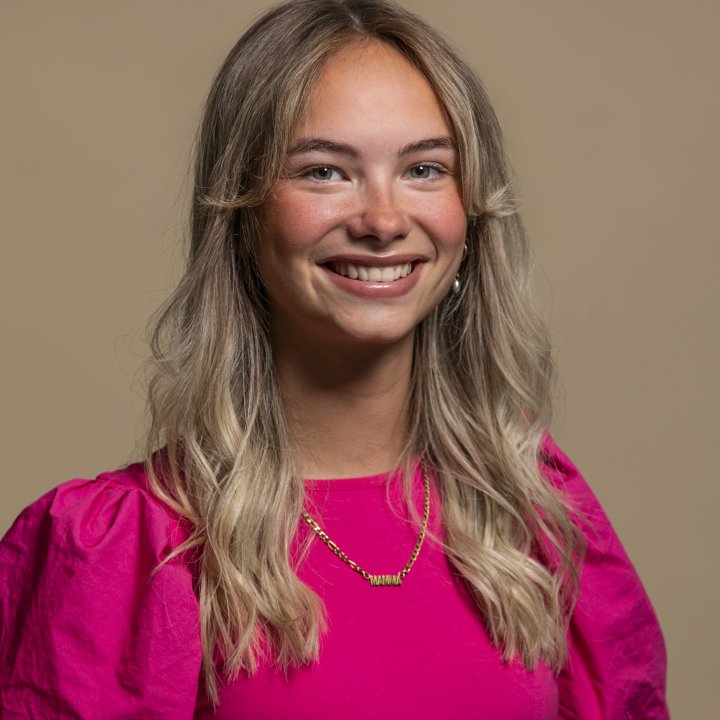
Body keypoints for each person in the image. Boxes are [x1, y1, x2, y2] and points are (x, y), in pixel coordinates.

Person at [0, 1, 669, 718]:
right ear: (242, 213)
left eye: (423, 168)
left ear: (470, 214)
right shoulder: (131, 550)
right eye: (324, 171)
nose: (383, 221)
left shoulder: (534, 511)